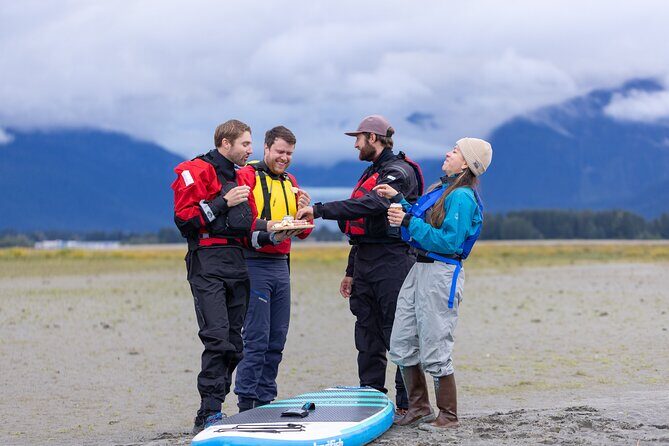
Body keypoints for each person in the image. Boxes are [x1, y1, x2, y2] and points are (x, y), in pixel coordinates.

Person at [296, 115, 424, 416]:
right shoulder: (372, 171)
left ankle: (408, 405)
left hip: (394, 260)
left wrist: (318, 210)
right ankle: (372, 399)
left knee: (400, 332)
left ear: (373, 138)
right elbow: (361, 228)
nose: (355, 144)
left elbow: (372, 206)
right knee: (366, 332)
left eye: (358, 138)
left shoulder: (398, 172)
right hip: (366, 261)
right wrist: (351, 271)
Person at [171, 120, 291, 434]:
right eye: (245, 145)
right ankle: (208, 412)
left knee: (236, 345)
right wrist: (224, 201)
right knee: (217, 339)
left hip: (238, 263)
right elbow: (184, 222)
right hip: (207, 262)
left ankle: (216, 408)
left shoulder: (241, 177)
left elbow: (250, 227)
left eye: (251, 145)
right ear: (226, 143)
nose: (250, 151)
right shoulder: (197, 171)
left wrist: (279, 231)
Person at [373, 137, 493, 429]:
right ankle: (419, 407)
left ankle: (448, 416)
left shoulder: (461, 197)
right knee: (402, 340)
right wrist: (399, 201)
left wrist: (405, 222)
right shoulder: (443, 189)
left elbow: (448, 241)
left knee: (436, 343)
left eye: (455, 151)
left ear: (466, 162)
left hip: (442, 273)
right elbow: (422, 219)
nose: (448, 153)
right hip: (420, 270)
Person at [234, 126, 313, 412]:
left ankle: (265, 400)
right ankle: (246, 404)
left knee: (277, 338)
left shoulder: (291, 181)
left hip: (282, 265)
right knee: (256, 337)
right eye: (279, 152)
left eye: (289, 153)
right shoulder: (247, 176)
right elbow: (242, 222)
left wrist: (304, 212)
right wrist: (272, 231)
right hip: (254, 263)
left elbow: (302, 232)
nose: (284, 158)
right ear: (266, 148)